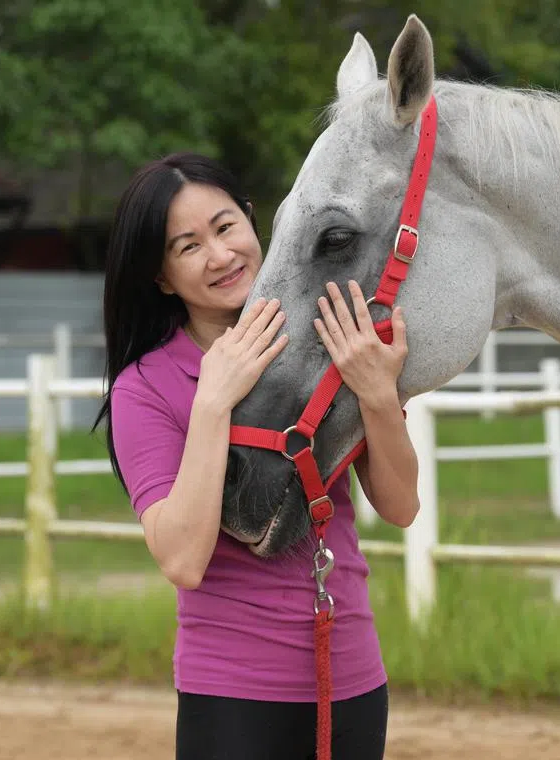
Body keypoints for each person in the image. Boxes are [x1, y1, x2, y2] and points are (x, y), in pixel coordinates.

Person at [92, 152, 420, 760]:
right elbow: (183, 559)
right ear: (162, 277)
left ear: (253, 221)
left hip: (351, 677)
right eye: (186, 247)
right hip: (231, 694)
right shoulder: (145, 387)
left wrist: (378, 393)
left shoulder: (330, 342)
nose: (219, 255)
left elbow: (399, 506)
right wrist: (214, 402)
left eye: (224, 227)